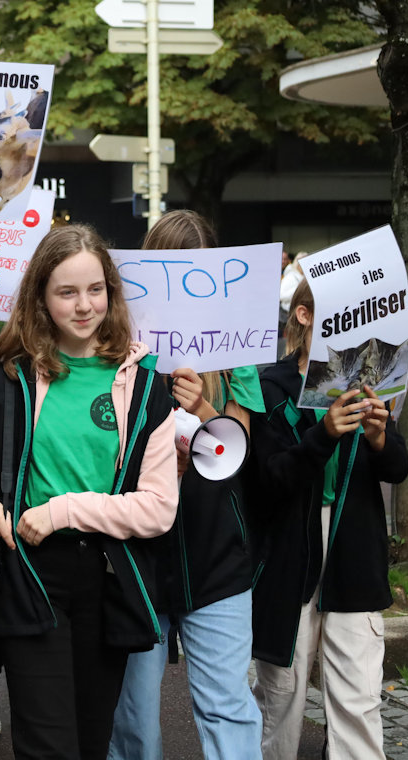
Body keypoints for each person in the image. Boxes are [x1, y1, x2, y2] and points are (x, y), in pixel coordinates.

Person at [0, 224, 179, 760]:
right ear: (41, 298)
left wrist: (62, 510)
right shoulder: (7, 381)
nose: (85, 306)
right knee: (46, 744)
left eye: (96, 289)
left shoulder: (149, 388)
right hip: (30, 573)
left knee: (90, 739)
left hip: (109, 581)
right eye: (67, 292)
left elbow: (158, 508)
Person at [108, 210, 263, 760]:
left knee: (226, 704)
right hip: (139, 550)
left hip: (213, 547)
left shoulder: (235, 346)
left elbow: (239, 447)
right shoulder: (116, 338)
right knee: (134, 718)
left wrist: (202, 406)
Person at [249, 278, 408, 759]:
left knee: (359, 698)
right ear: (303, 315)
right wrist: (321, 435)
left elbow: (398, 469)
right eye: (344, 314)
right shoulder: (271, 385)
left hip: (354, 552)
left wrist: (381, 438)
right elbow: (269, 480)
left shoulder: (369, 378)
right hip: (288, 556)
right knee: (280, 695)